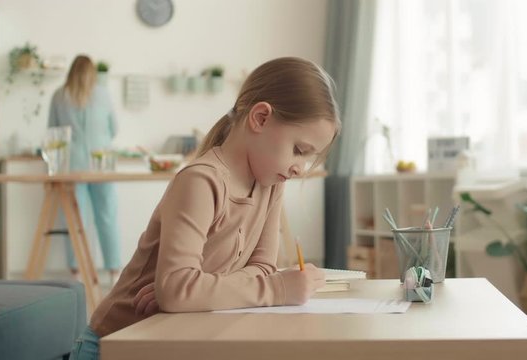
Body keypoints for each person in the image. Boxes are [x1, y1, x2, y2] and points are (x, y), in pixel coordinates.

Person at [69, 56, 342, 359]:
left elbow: (262, 267)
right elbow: (179, 289)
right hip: (116, 344)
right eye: (299, 151)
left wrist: (197, 291)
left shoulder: (271, 185)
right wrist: (277, 289)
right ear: (260, 118)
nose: (300, 168)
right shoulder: (201, 181)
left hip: (173, 340)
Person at [48, 55, 121, 284]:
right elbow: (114, 128)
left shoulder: (60, 95)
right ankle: (113, 272)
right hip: (102, 163)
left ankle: (77, 273)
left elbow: (52, 131)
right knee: (107, 217)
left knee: (76, 219)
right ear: (93, 72)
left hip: (72, 165)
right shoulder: (103, 93)